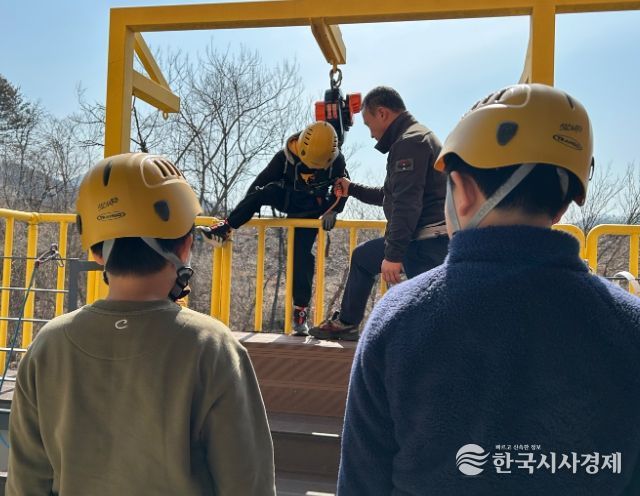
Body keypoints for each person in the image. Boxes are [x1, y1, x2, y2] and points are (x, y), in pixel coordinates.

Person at [337, 84, 640, 495]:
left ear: (462, 192)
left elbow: (360, 483)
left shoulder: (397, 321)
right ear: (564, 204)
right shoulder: (629, 326)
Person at [7, 153, 276, 495]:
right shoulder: (212, 348)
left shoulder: (48, 345)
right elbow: (248, 484)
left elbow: (25, 484)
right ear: (186, 245)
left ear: (96, 253)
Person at [309, 86, 448, 341]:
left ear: (382, 113)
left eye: (368, 124)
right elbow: (391, 195)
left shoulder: (410, 143)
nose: (371, 134)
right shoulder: (414, 138)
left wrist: (393, 255)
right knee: (363, 257)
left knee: (430, 323)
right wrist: (352, 189)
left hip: (427, 244)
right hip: (422, 239)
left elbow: (407, 204)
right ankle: (347, 323)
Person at [199, 121, 348, 336]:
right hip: (288, 198)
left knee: (302, 257)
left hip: (313, 208)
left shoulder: (336, 161)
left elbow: (344, 186)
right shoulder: (284, 158)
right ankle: (225, 228)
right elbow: (258, 186)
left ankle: (300, 312)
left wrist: (334, 210)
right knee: (264, 191)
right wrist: (243, 213)